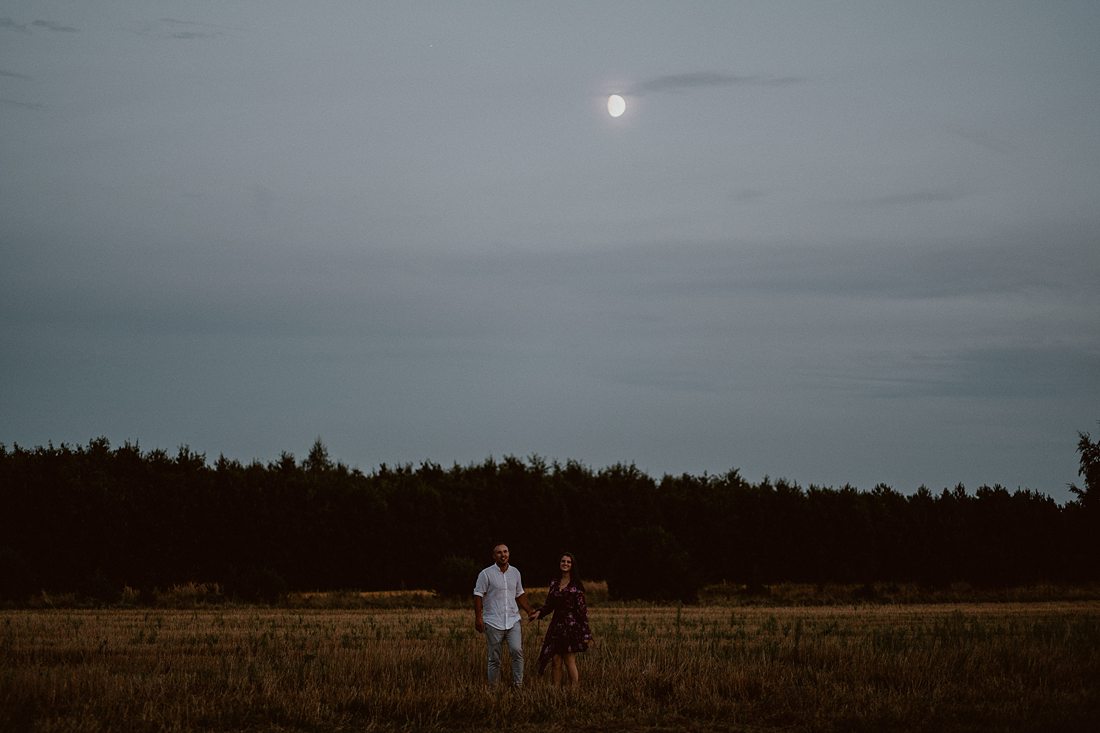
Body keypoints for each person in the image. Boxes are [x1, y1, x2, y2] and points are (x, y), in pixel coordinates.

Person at [473, 543, 536, 687]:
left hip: (513, 620)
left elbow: (519, 594)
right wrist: (478, 618)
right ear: (494, 556)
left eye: (506, 551)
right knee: (494, 658)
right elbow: (477, 596)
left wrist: (530, 611)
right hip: (493, 621)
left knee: (517, 651)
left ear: (509, 553)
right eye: (499, 552)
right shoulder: (485, 574)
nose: (503, 555)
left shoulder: (515, 572)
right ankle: (494, 688)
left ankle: (518, 685)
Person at [529, 552, 594, 687]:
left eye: (568, 562)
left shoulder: (576, 586)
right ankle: (555, 691)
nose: (565, 564)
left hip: (571, 627)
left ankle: (574, 691)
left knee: (569, 659)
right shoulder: (554, 583)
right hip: (556, 627)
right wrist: (539, 613)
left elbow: (582, 612)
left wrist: (586, 633)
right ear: (559, 564)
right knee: (555, 660)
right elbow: (549, 605)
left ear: (572, 565)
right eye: (563, 561)